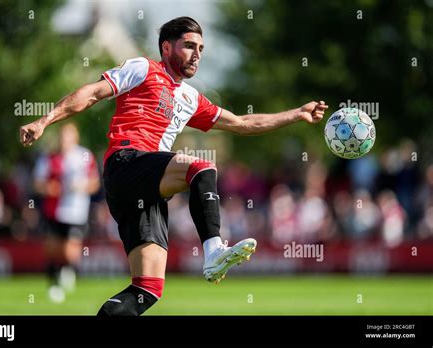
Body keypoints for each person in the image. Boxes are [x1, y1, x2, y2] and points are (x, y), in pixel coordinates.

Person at [19, 17, 328, 316]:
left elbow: (242, 123)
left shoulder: (191, 98)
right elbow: (90, 93)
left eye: (202, 49)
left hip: (146, 188)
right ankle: (213, 252)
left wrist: (297, 113)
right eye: (189, 46)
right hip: (127, 163)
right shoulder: (143, 68)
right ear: (166, 48)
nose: (197, 55)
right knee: (201, 167)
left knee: (147, 289)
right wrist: (45, 120)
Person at [33, 123, 100, 302]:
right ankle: (53, 284)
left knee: (70, 251)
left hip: (76, 211)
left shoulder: (84, 156)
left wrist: (82, 186)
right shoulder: (49, 158)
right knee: (52, 249)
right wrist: (51, 189)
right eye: (62, 136)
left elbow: (95, 183)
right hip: (53, 210)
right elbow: (38, 184)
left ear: (75, 137)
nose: (65, 140)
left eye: (68, 136)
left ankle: (67, 270)